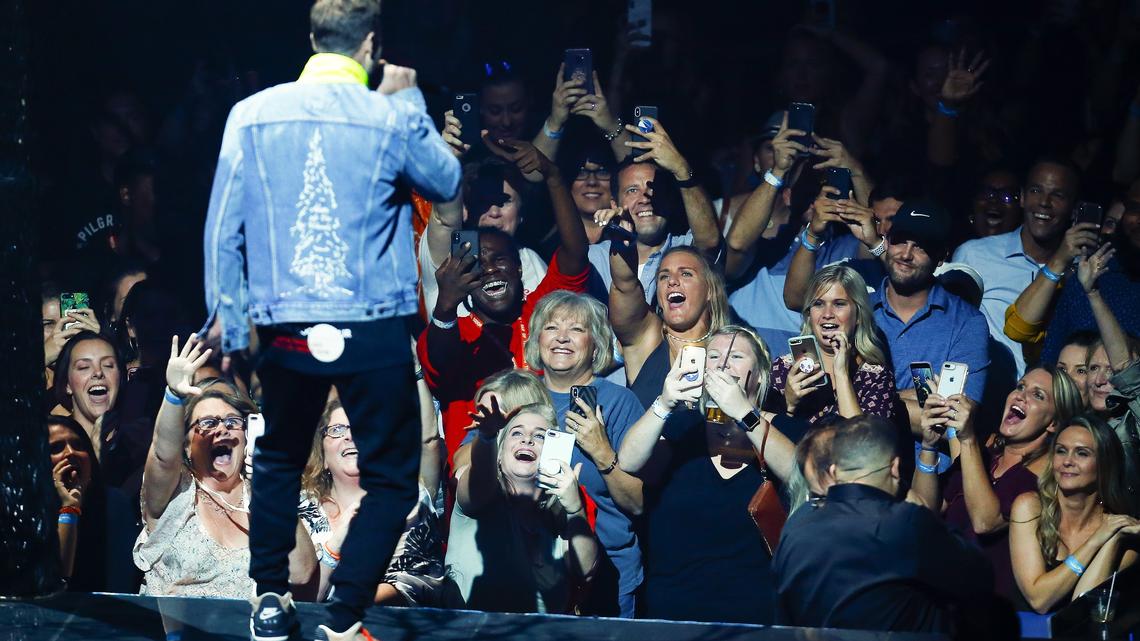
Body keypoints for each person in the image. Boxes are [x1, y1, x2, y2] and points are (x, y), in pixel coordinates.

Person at [200, 2, 462, 638]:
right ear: (371, 43)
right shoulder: (387, 114)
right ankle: (343, 615)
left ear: (313, 38)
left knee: (281, 456)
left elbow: (221, 226)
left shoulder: (253, 113)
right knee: (395, 476)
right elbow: (447, 180)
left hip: (287, 320)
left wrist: (231, 324)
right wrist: (407, 104)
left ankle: (268, 598)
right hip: (370, 326)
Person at [419, 135, 589, 465]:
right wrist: (445, 305)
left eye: (500, 261)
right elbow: (439, 363)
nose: (490, 270)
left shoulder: (542, 314)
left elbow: (575, 253)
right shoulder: (457, 332)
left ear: (519, 266)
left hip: (550, 476)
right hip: (480, 481)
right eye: (477, 262)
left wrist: (553, 176)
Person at [617, 326, 802, 624]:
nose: (722, 364)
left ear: (760, 374)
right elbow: (628, 460)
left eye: (736, 356)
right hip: (675, 611)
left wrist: (745, 413)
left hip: (755, 614)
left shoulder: (786, 430)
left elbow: (801, 474)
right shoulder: (684, 426)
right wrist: (663, 403)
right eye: (713, 356)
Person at [773, 415, 994, 634]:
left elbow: (785, 615)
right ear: (895, 468)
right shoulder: (903, 523)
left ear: (834, 471)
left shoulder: (797, 524)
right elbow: (979, 578)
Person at [135, 335, 315, 601]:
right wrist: (173, 395)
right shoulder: (174, 494)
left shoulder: (262, 497)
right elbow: (162, 456)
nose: (222, 429)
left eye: (232, 421)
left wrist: (270, 488)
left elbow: (300, 573)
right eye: (207, 423)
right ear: (185, 445)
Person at [919, 366, 1080, 607]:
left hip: (989, 613)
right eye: (1020, 387)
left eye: (1038, 395)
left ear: (1054, 423)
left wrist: (968, 440)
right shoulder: (985, 458)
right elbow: (924, 510)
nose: (1020, 396)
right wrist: (929, 445)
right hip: (941, 600)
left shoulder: (1046, 478)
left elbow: (985, 522)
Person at [299, 396, 455, 607]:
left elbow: (415, 584)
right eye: (337, 430)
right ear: (323, 456)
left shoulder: (409, 501)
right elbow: (295, 595)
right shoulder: (300, 507)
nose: (349, 436)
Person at [447, 400, 599, 613]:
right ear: (499, 455)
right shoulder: (481, 499)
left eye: (539, 436)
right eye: (516, 433)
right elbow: (481, 474)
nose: (527, 439)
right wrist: (487, 437)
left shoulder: (559, 518)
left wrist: (575, 509)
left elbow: (585, 572)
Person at [953, 159, 1083, 377]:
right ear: (1022, 198)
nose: (1044, 202)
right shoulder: (974, 255)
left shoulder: (1083, 270)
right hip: (985, 395)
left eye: (1058, 195)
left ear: (1074, 210)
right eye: (1036, 190)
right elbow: (949, 327)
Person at [1009, 416, 1140, 614]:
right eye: (1061, 451)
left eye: (1082, 453)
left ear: (1105, 464)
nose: (1068, 461)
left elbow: (1081, 612)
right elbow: (1039, 599)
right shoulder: (1030, 507)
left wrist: (1113, 540)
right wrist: (1096, 541)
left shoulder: (1121, 534)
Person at [587, 117, 723, 305]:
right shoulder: (593, 259)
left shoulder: (685, 249)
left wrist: (681, 169)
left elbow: (710, 240)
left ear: (670, 199)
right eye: (632, 190)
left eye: (653, 188)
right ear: (613, 204)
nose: (645, 198)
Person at [766, 264, 897, 425]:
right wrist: (789, 405)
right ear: (809, 314)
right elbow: (764, 441)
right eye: (818, 304)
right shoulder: (784, 368)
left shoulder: (876, 378)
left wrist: (841, 374)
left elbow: (862, 443)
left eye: (839, 304)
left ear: (859, 315)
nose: (827, 314)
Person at [48, 415, 139, 593]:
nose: (70, 453)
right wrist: (69, 509)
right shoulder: (27, 509)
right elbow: (54, 578)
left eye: (78, 445)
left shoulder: (114, 503)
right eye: (56, 448)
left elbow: (122, 582)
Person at [52, 332, 122, 461]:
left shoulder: (137, 442)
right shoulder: (52, 444)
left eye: (108, 365)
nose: (98, 372)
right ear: (67, 384)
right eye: (84, 367)